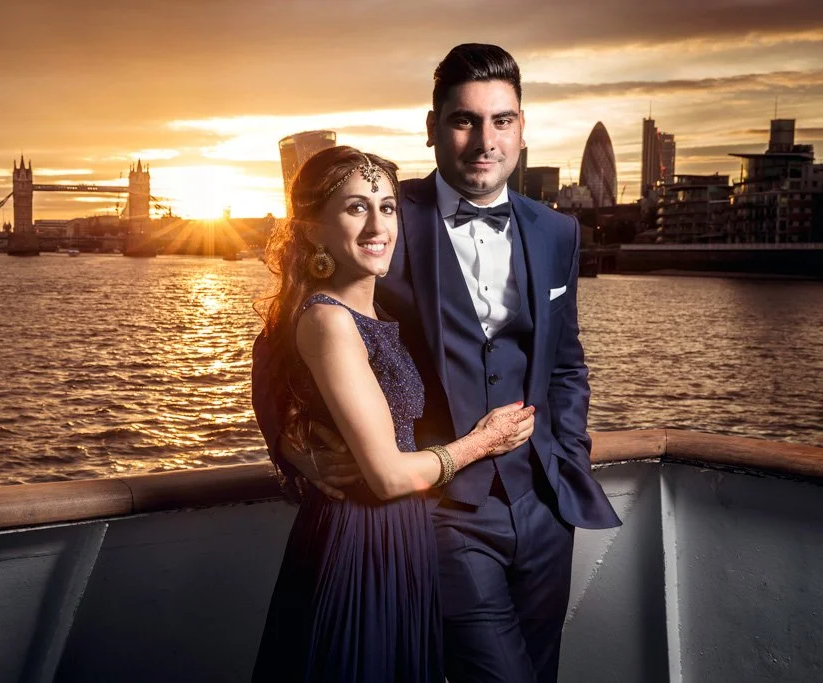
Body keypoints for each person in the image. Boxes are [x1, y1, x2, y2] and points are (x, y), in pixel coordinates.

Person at [253, 44, 623, 682]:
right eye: (464, 121)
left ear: (522, 128)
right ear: (432, 129)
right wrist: (293, 446)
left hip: (543, 510)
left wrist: (567, 457)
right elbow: (285, 336)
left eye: (501, 120)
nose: (485, 141)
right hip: (442, 514)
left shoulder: (555, 232)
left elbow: (566, 364)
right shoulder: (388, 219)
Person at [250, 145, 535, 683]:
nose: (378, 224)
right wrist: (485, 441)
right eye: (356, 207)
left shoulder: (373, 310)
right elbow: (384, 476)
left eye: (387, 206)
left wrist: (298, 443)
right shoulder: (328, 319)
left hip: (402, 537)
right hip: (358, 541)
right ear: (312, 230)